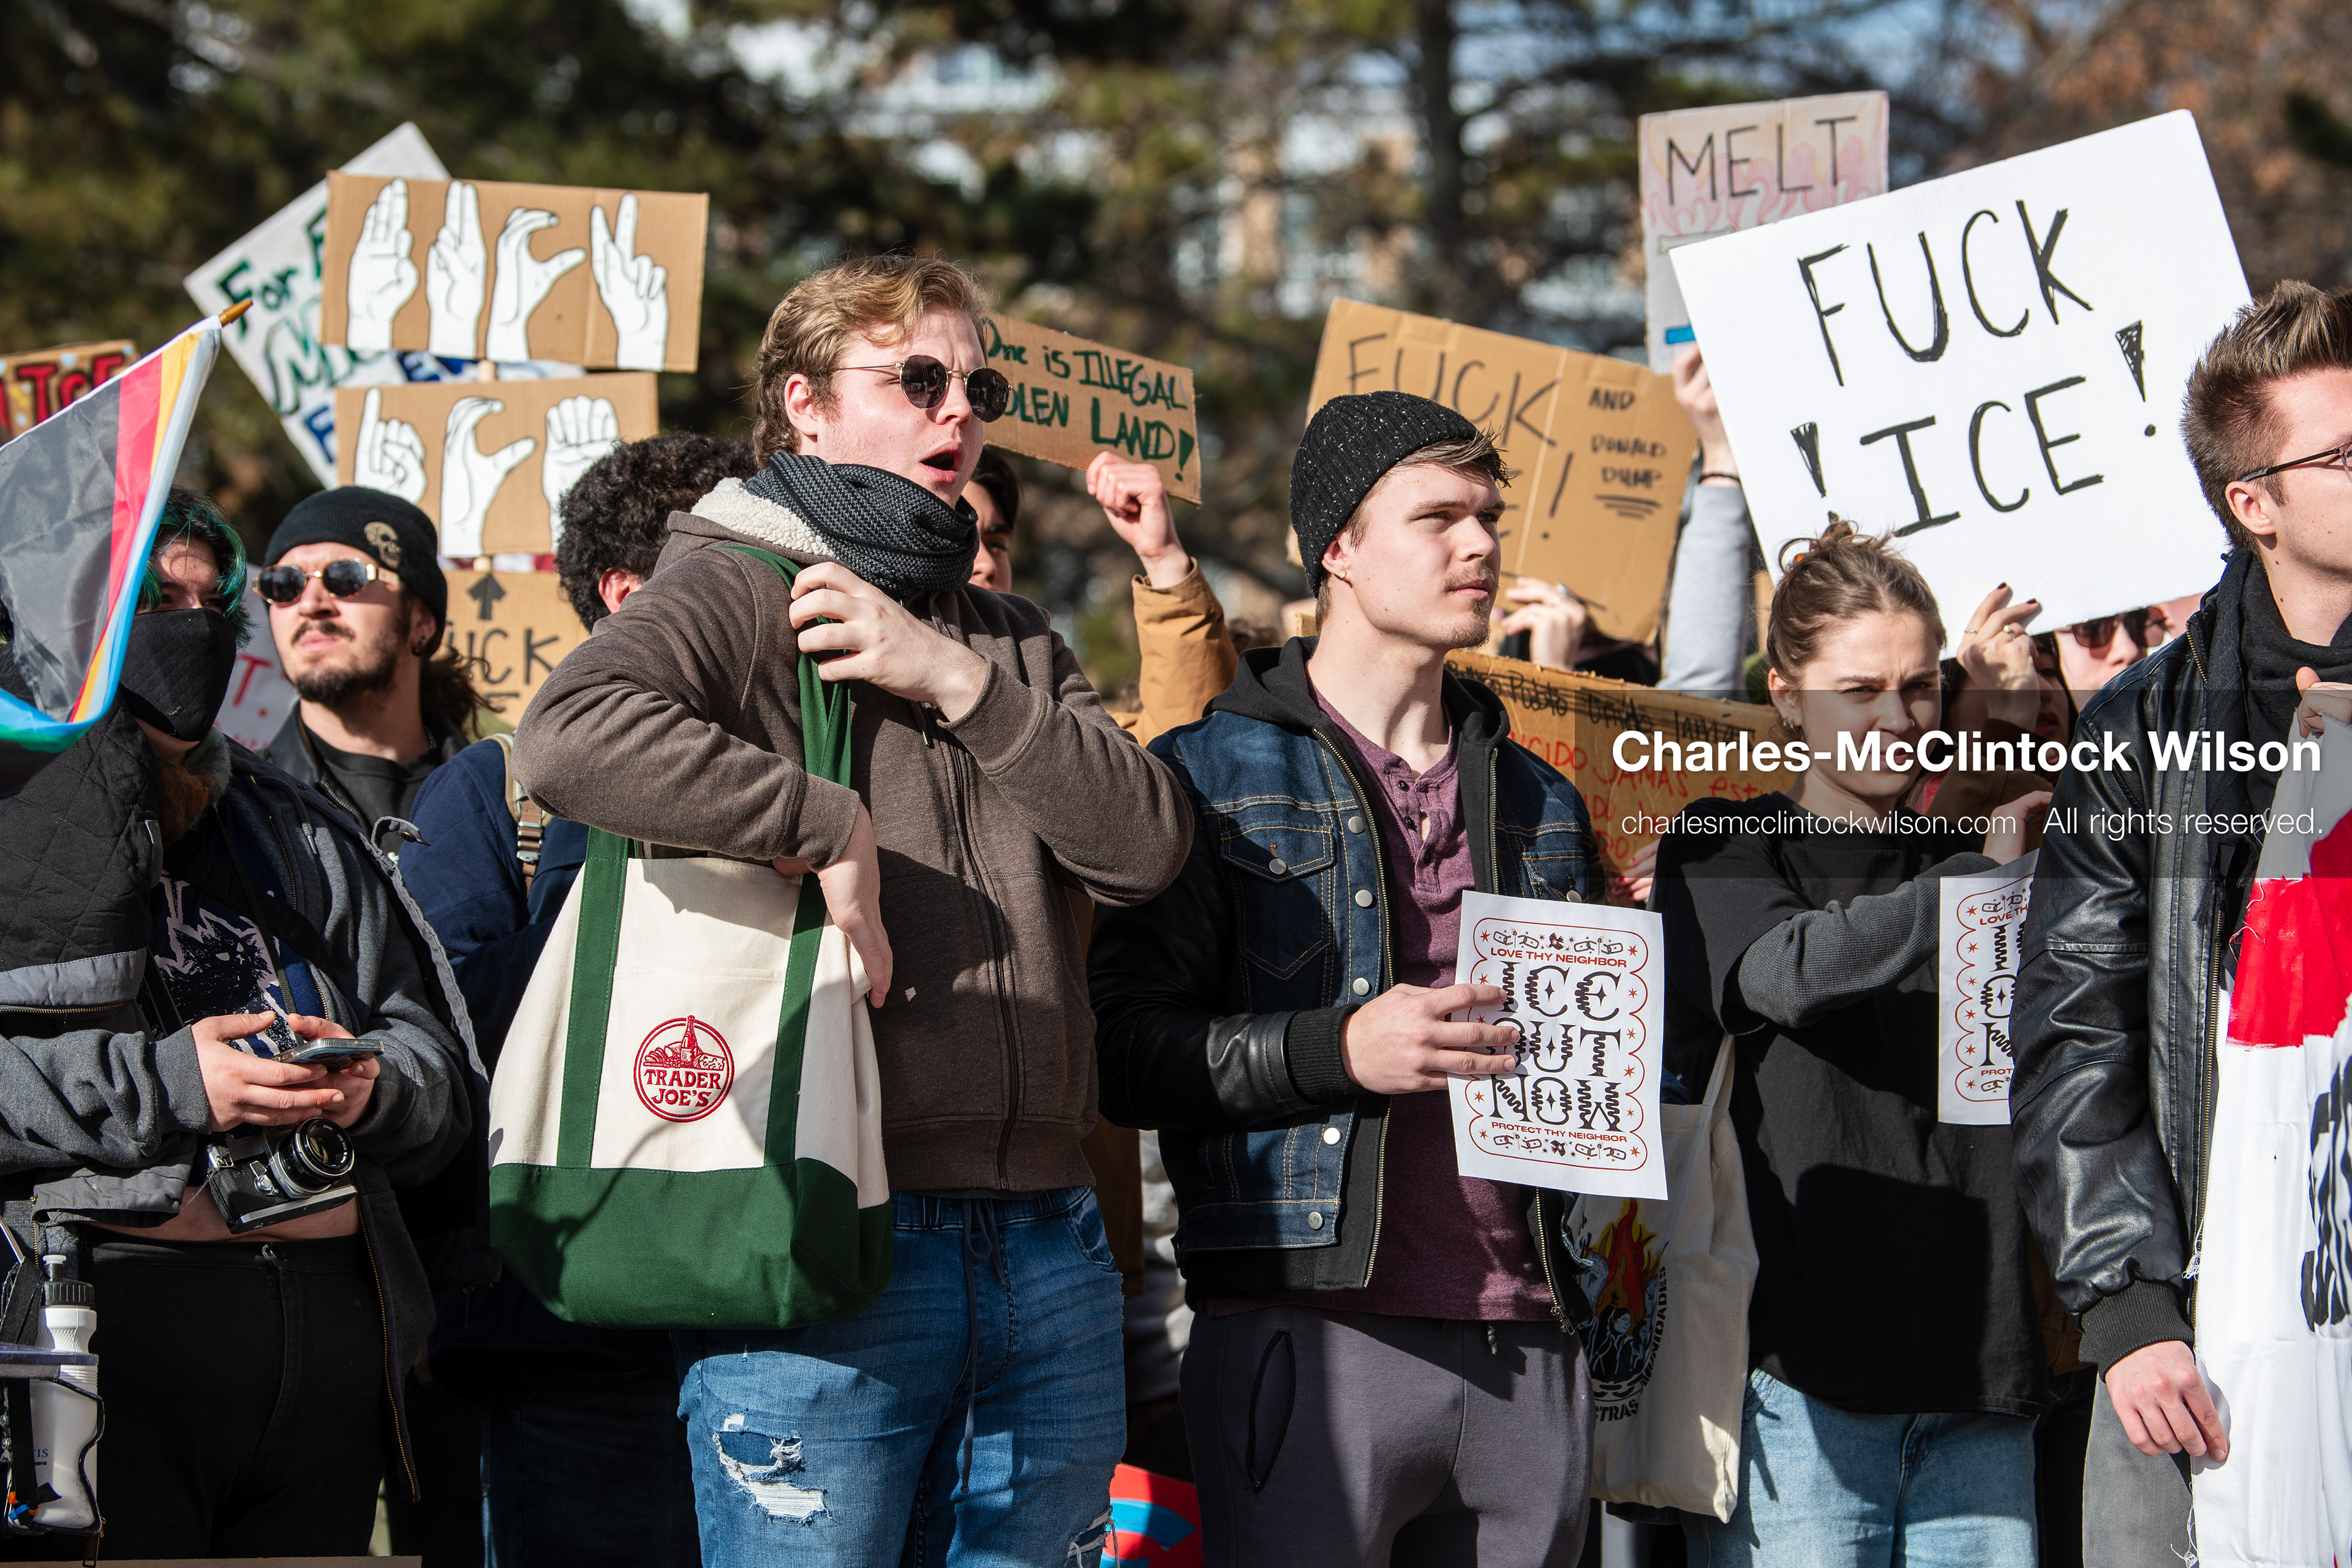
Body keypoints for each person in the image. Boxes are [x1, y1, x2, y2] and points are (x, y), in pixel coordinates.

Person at [511, 254, 1193, 1566]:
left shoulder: (1011, 634)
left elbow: (1147, 847)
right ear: (805, 405)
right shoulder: (732, 580)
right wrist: (824, 824)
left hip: (1052, 1234)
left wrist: (953, 674)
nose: (960, 411)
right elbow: (563, 736)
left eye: (978, 384)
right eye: (919, 378)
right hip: (830, 1224)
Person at [1090, 391, 1606, 1565]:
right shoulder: (1206, 772)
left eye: (1488, 516)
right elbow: (1126, 1053)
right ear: (1338, 547)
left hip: (1530, 1342)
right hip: (1309, 1332)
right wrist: (1340, 1052)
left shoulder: (1545, 803)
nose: (1480, 546)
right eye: (1438, 518)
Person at [0, 490, 473, 1559]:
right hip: (97, 1338)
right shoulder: (8, 806)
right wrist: (172, 1084)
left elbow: (434, 1066)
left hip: (328, 1353)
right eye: (153, 599)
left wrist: (374, 1086)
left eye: (210, 600)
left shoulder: (293, 824)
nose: (188, 624)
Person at [2012, 279, 2352, 1564]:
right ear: (2251, 503)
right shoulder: (2147, 733)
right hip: (2206, 1331)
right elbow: (2076, 1020)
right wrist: (2130, 1303)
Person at [1651, 520, 2051, 1566]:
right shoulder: (1721, 842)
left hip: (1983, 1386)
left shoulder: (1984, 856)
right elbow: (1788, 973)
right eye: (1859, 690)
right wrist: (1976, 888)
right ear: (1787, 693)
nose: (1896, 718)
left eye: (1920, 689)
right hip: (1797, 1394)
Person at [401, 434, 754, 1568]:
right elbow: (452, 1037)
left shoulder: (806, 772)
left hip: (786, 1312)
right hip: (579, 1342)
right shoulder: (497, 791)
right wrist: (612, 834)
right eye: (739, 565)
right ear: (632, 595)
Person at [260, 486, 484, 857]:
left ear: (421, 620)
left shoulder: (503, 801)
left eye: (345, 577)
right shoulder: (235, 806)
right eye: (285, 584)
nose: (311, 604)